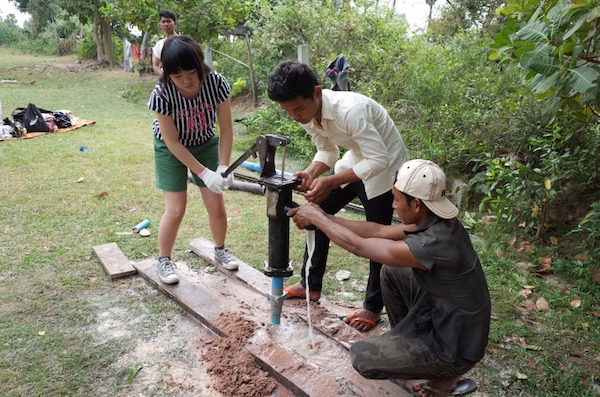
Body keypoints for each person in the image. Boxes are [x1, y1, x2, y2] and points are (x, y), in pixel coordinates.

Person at [288, 159, 490, 397]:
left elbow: (360, 246)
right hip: (451, 315)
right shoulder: (436, 219)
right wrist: (324, 217)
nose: (393, 206)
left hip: (458, 346)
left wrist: (318, 219)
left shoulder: (433, 243)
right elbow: (378, 231)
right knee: (392, 271)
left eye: (396, 199)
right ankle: (410, 345)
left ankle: (445, 376)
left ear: (415, 204)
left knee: (362, 357)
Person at [267, 60, 408, 332]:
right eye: (288, 112)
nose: (295, 117)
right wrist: (311, 173)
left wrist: (331, 180)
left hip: (384, 168)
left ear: (317, 93)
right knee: (316, 214)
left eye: (298, 109)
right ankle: (311, 284)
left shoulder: (351, 111)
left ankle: (373, 306)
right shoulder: (307, 114)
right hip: (354, 160)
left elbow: (378, 159)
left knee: (377, 235)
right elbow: (327, 151)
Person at [148, 35, 240, 284]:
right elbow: (173, 143)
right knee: (176, 209)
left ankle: (220, 249)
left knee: (216, 204)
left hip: (204, 143)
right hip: (171, 149)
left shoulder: (217, 83)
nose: (186, 81)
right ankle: (164, 260)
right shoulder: (162, 94)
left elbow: (226, 129)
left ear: (201, 65)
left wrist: (222, 166)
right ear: (167, 73)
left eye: (191, 73)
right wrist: (203, 173)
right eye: (178, 76)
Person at [152, 10, 178, 76]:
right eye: (163, 22)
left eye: (169, 21)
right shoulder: (159, 45)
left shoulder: (183, 41)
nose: (166, 24)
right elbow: (155, 66)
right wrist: (166, 78)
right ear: (160, 25)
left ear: (175, 23)